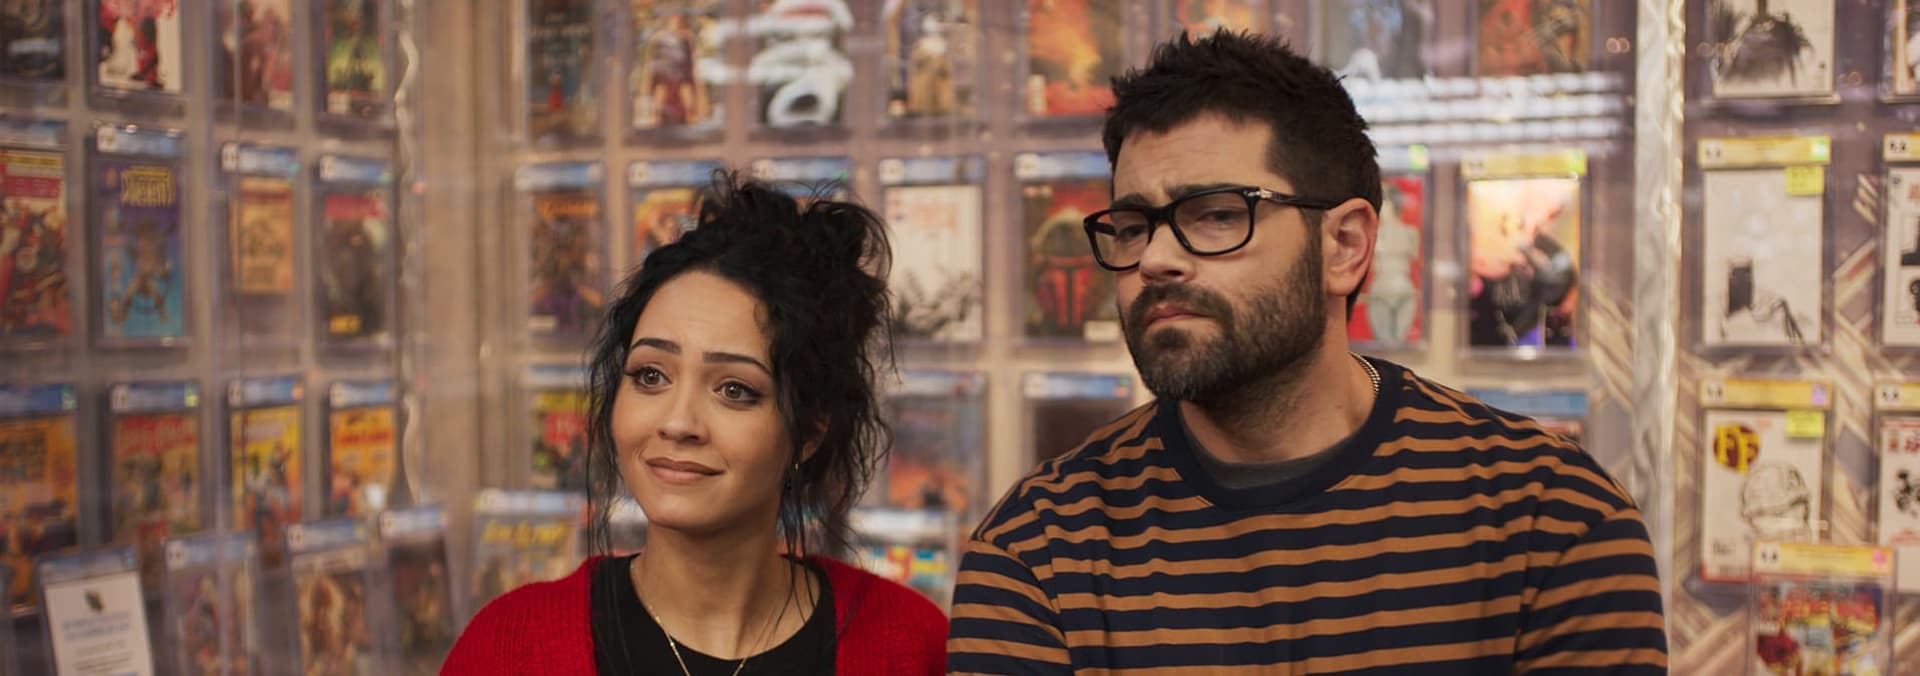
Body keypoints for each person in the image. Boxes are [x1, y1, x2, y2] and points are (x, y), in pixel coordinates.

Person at [947, 31, 1666, 673]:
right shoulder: (1041, 547)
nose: (1156, 259)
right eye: (1134, 226)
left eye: (1216, 214)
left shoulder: (1550, 520)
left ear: (1345, 246)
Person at [445, 174, 948, 675]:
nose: (678, 422)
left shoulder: (911, 646)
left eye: (734, 389)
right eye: (650, 376)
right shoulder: (506, 648)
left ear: (810, 433)